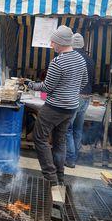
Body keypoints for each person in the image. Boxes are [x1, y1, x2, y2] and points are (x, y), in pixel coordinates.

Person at [27, 25, 88, 186]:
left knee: (39, 137)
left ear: (60, 42)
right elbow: (84, 82)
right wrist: (71, 93)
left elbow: (47, 87)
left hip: (54, 108)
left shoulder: (58, 62)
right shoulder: (80, 59)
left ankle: (50, 177)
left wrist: (31, 85)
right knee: (59, 141)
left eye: (53, 42)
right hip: (71, 108)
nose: (51, 45)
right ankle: (60, 177)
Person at [65, 33, 95, 168]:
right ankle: (74, 157)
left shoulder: (71, 58)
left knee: (68, 129)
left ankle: (70, 159)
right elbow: (93, 80)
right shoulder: (90, 59)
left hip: (74, 97)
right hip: (87, 97)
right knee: (78, 129)